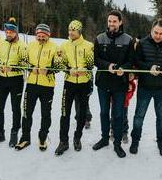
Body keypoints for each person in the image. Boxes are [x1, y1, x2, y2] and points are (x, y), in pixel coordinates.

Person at [130, 18, 162, 156]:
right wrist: (148, 67)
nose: (158, 36)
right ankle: (135, 141)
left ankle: (161, 142)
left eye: (161, 34)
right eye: (156, 32)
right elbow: (136, 61)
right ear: (151, 30)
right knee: (139, 116)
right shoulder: (142, 43)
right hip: (145, 87)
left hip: (161, 88)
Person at [92, 10, 135, 158]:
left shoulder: (128, 40)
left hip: (120, 83)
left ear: (120, 22)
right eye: (109, 21)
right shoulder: (99, 38)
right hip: (103, 82)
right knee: (104, 112)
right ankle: (104, 139)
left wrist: (124, 68)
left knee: (118, 114)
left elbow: (131, 60)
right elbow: (95, 59)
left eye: (114, 21)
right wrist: (107, 65)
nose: (111, 24)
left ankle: (117, 143)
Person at [15, 24, 60, 151]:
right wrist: (30, 68)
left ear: (48, 35)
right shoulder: (30, 45)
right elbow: (23, 61)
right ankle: (25, 138)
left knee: (46, 113)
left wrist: (49, 70)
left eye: (43, 36)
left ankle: (43, 137)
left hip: (47, 86)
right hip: (31, 84)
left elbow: (59, 65)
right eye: (38, 35)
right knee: (26, 112)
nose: (40, 38)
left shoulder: (55, 47)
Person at [54, 20, 94, 156]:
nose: (71, 32)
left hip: (83, 83)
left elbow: (91, 64)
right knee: (65, 113)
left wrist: (85, 69)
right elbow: (60, 64)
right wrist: (68, 70)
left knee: (82, 114)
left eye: (74, 30)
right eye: (69, 29)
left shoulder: (89, 46)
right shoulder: (64, 45)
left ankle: (77, 138)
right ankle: (63, 141)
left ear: (79, 31)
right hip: (69, 83)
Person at [0, 18, 27, 147]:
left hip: (16, 80)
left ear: (16, 32)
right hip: (2, 79)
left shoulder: (22, 46)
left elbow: (26, 64)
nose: (8, 34)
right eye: (7, 31)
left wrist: (13, 67)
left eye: (11, 32)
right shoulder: (0, 44)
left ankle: (15, 132)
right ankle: (0, 133)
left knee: (15, 107)